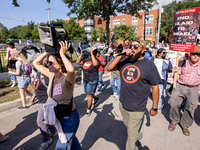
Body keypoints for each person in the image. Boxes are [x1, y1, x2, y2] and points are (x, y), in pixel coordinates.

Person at [105, 38, 161, 150]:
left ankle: (134, 136)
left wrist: (154, 107)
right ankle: (137, 133)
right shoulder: (125, 61)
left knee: (131, 137)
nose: (132, 49)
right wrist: (121, 55)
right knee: (128, 126)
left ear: (143, 50)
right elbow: (108, 68)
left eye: (136, 47)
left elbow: (155, 87)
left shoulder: (149, 66)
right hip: (123, 104)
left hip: (137, 107)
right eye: (131, 46)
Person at [33, 41, 82, 149]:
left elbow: (71, 69)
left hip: (69, 119)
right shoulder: (51, 75)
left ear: (60, 65)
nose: (47, 64)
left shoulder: (67, 78)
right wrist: (48, 51)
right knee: (73, 144)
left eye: (51, 63)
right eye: (48, 62)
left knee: (61, 147)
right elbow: (35, 64)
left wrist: (62, 54)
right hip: (57, 117)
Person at [168, 47, 200, 136]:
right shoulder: (182, 62)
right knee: (172, 102)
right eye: (194, 54)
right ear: (190, 54)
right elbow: (177, 75)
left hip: (194, 88)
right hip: (180, 86)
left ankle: (185, 125)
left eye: (198, 54)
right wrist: (175, 73)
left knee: (191, 107)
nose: (195, 56)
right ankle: (174, 120)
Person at [27, 53, 57, 150]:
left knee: (40, 121)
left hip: (44, 101)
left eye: (33, 64)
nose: (32, 66)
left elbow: (51, 89)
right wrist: (34, 96)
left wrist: (47, 102)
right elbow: (38, 87)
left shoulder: (45, 73)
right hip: (41, 100)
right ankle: (53, 130)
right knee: (47, 118)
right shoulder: (38, 73)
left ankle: (46, 139)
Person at [76, 48, 101, 117]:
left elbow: (95, 65)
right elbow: (78, 62)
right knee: (88, 92)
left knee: (89, 94)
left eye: (90, 53)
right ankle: (96, 98)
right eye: (89, 53)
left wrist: (92, 55)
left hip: (92, 80)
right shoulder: (86, 60)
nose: (89, 54)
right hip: (85, 80)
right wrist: (81, 54)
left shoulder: (97, 60)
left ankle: (88, 109)